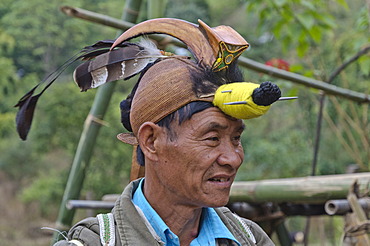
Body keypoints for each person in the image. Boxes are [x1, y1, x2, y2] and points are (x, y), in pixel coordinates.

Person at [47, 18, 278, 245]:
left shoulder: (250, 239)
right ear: (151, 141)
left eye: (236, 138)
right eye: (212, 138)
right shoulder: (95, 243)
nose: (233, 158)